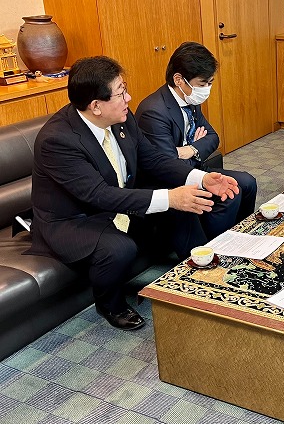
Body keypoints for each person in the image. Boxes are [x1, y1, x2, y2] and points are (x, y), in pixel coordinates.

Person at [27, 56, 240, 330]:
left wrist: (201, 179)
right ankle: (110, 305)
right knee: (120, 247)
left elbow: (154, 159)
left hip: (117, 201)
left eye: (124, 88)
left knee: (180, 205)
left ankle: (202, 273)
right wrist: (170, 197)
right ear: (96, 106)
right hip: (76, 218)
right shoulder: (58, 140)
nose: (128, 98)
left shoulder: (121, 119)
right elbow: (99, 195)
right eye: (120, 93)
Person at [136, 42, 257, 253]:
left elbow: (213, 137)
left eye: (210, 83)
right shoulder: (154, 112)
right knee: (229, 193)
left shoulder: (189, 97)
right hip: (167, 182)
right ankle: (211, 249)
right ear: (179, 80)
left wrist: (189, 149)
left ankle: (237, 239)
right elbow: (168, 166)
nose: (206, 89)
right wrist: (192, 149)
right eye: (203, 83)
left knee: (246, 183)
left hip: (192, 167)